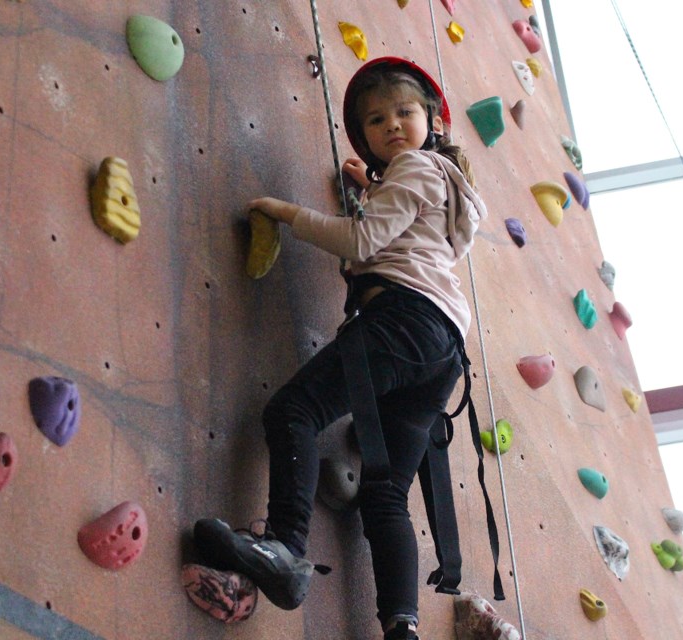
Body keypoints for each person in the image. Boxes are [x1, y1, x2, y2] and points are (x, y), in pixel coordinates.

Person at [194, 56, 487, 640]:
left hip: (403, 318)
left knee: (294, 410)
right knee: (385, 494)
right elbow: (398, 232)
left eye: (404, 112)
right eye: (377, 121)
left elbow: (360, 239)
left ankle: (284, 546)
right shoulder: (447, 187)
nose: (392, 126)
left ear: (431, 118)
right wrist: (369, 187)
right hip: (442, 349)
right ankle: (402, 628)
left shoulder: (415, 168)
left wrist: (286, 213)